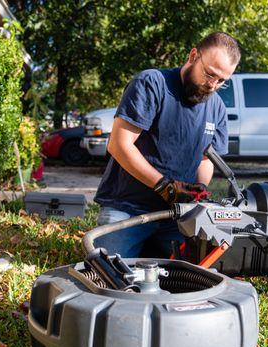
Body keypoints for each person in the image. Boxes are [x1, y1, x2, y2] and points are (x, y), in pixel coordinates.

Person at [93, 32, 240, 258]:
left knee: (198, 273)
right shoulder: (151, 83)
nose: (213, 85)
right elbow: (119, 144)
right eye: (210, 74)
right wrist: (165, 187)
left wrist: (198, 188)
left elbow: (204, 160)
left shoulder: (217, 107)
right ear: (193, 56)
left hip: (178, 216)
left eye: (222, 81)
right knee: (106, 273)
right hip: (128, 208)